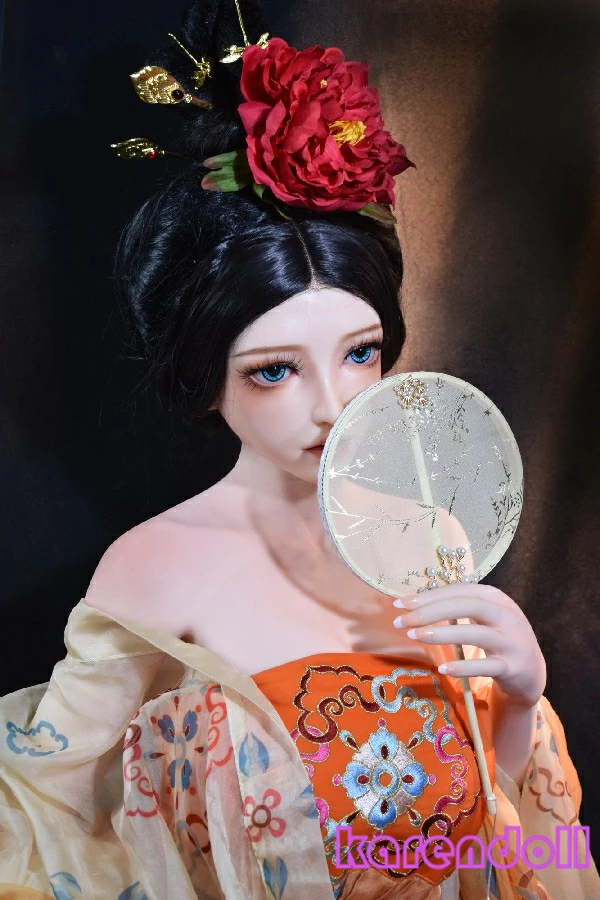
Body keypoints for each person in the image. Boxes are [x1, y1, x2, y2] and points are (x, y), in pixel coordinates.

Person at [0, 1, 597, 898]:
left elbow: (496, 825)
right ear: (205, 379)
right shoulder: (156, 570)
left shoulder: (427, 537)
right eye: (275, 371)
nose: (333, 407)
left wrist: (518, 697)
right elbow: (54, 831)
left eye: (360, 353)